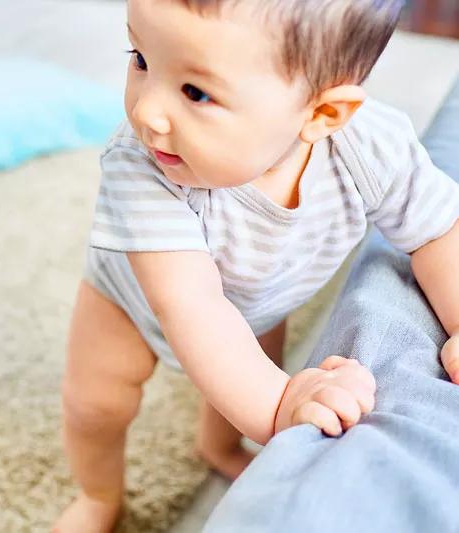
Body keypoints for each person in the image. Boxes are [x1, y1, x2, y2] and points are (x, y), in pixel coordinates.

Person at [53, 1, 459, 531]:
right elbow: (191, 306)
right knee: (97, 405)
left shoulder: (371, 147)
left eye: (196, 92)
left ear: (321, 115)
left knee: (238, 379)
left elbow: (439, 230)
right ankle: (97, 496)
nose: (147, 112)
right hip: (130, 303)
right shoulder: (140, 168)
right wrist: (278, 405)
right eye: (142, 59)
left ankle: (217, 445)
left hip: (263, 301)